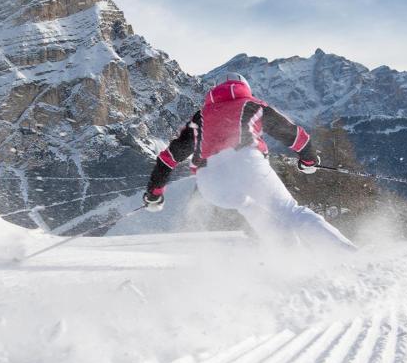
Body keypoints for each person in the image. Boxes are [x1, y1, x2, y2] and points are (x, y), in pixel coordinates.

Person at [142, 73, 356, 252]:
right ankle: (347, 254)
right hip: (245, 161)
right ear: (245, 87)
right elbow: (293, 134)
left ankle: (292, 262)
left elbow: (168, 158)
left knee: (252, 208)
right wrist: (309, 159)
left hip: (209, 180)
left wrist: (154, 194)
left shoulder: (201, 117)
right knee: (289, 211)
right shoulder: (251, 105)